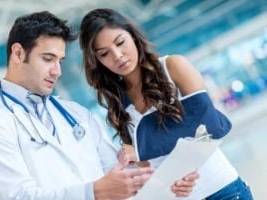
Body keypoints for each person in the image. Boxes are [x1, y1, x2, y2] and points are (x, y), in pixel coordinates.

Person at [0, 11, 198, 200]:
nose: (56, 71)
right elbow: (16, 196)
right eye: (47, 59)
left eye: (60, 61)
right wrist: (93, 192)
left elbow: (118, 174)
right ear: (18, 53)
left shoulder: (75, 114)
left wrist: (167, 182)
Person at [79, 8, 254, 200]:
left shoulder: (173, 67)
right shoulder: (117, 105)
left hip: (222, 191)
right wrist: (169, 182)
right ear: (97, 61)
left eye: (120, 42)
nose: (118, 55)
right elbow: (146, 166)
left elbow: (209, 124)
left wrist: (143, 149)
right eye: (104, 53)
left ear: (133, 36)